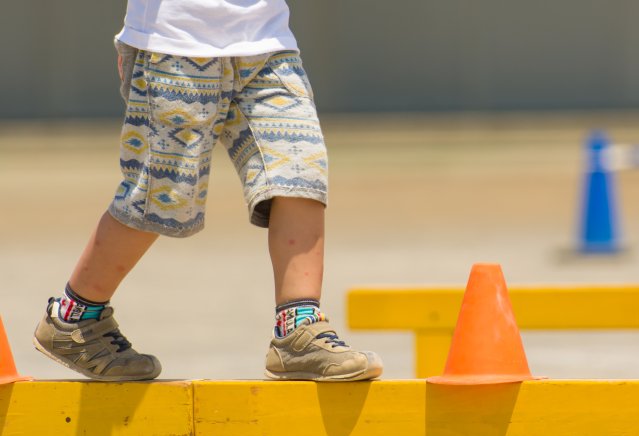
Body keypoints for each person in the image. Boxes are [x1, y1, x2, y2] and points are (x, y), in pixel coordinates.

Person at [32, 0, 383, 381]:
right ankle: (75, 318)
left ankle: (298, 328)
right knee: (160, 196)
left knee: (300, 172)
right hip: (174, 44)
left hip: (267, 42)